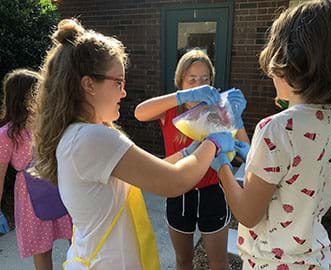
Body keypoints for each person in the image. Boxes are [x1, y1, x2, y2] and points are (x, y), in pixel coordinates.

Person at [33, 19, 238, 270]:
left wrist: (189, 150)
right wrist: (213, 142)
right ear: (89, 85)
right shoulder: (91, 139)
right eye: (118, 82)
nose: (124, 92)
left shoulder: (85, 134)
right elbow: (173, 181)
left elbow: (154, 170)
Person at [206, 1, 331, 269]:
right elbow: (294, 170)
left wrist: (220, 164)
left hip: (271, 262)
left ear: (288, 60)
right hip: (315, 258)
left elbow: (247, 214)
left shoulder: (276, 128)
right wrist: (249, 149)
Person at [134, 49, 249, 270]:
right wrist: (181, 97)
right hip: (178, 191)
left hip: (213, 190)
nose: (198, 84)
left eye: (204, 79)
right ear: (181, 81)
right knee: (184, 260)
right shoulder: (170, 110)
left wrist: (236, 117)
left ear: (211, 81)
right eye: (192, 80)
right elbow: (140, 112)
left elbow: (246, 151)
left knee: (219, 262)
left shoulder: (218, 109)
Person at [0, 69, 72, 270]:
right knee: (42, 247)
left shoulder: (52, 123)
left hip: (62, 184)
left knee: (77, 240)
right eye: (38, 91)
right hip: (30, 195)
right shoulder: (6, 135)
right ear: (23, 97)